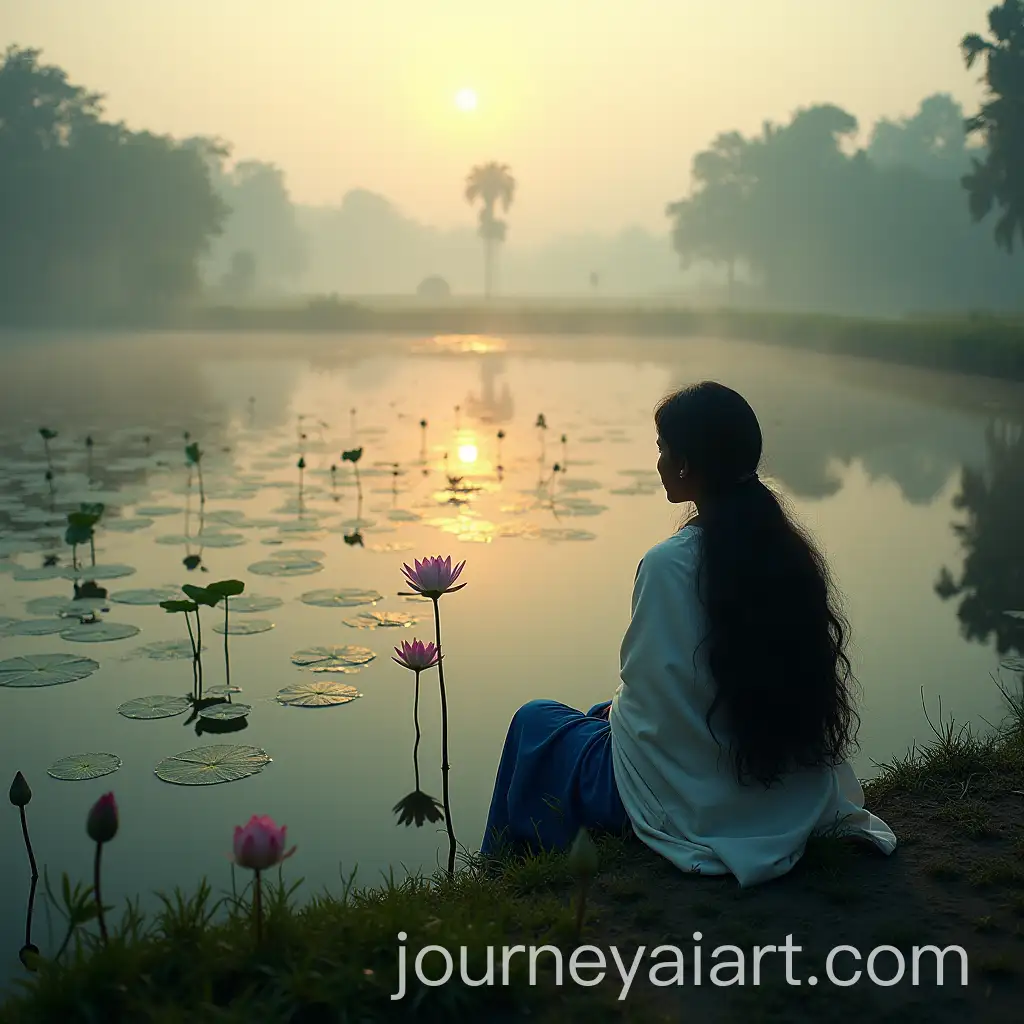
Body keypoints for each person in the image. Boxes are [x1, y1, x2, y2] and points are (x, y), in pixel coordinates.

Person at [481, 381, 896, 886]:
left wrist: (622, 712)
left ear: (685, 464)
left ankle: (499, 879)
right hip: (784, 785)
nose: (657, 462)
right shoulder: (787, 550)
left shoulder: (668, 565)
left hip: (697, 796)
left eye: (662, 448)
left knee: (536, 722)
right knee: (596, 716)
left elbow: (650, 694)